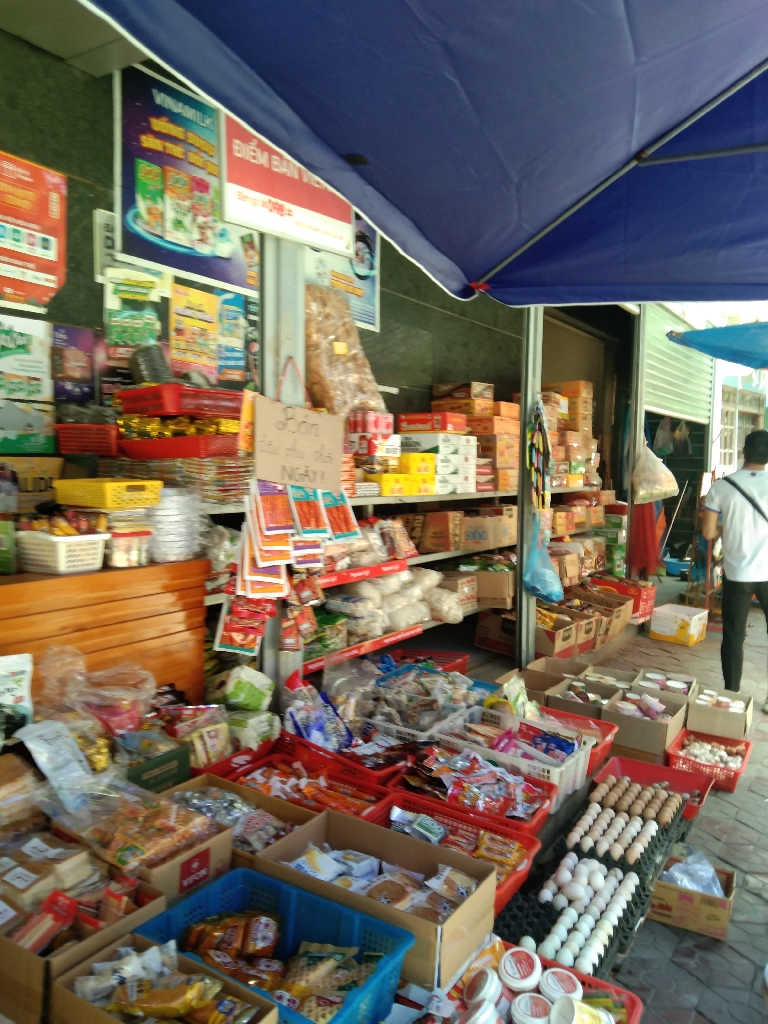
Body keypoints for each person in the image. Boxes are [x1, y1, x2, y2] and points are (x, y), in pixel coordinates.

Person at [702, 429, 768, 702]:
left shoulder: (721, 487)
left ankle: (732, 695)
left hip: (738, 573)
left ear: (743, 452)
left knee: (733, 636)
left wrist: (726, 527)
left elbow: (708, 532)